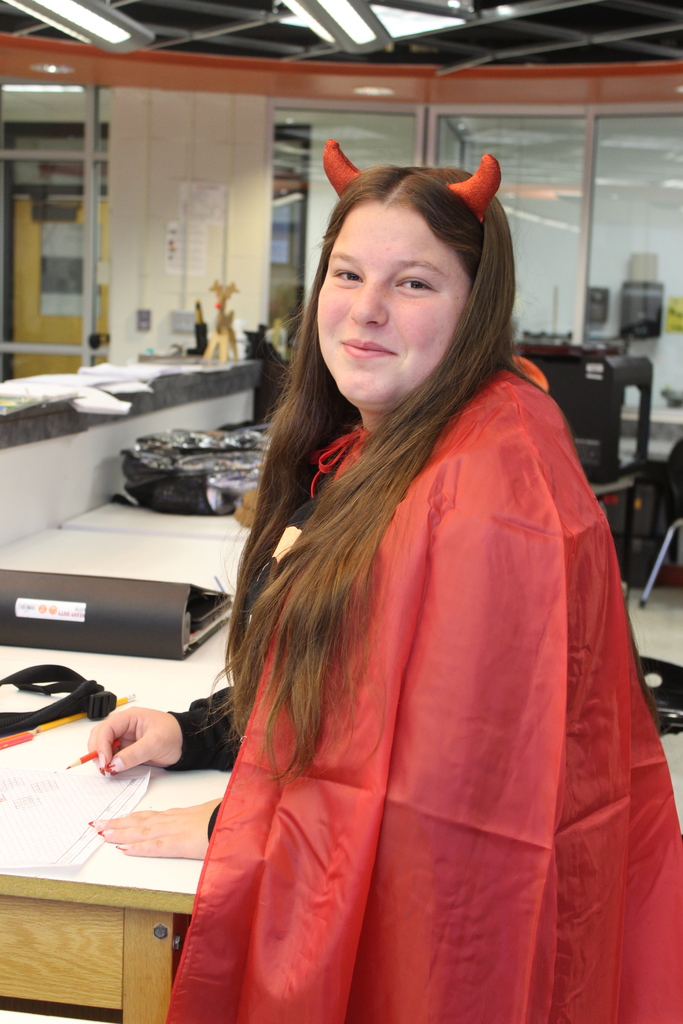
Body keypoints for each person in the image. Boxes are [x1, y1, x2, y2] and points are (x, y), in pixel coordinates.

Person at [88, 141, 683, 1024]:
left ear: (475, 308)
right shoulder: (393, 441)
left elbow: (450, 800)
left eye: (413, 283)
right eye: (347, 273)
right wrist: (199, 732)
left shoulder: (488, 485)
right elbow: (359, 689)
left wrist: (239, 828)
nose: (365, 310)